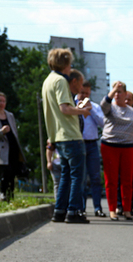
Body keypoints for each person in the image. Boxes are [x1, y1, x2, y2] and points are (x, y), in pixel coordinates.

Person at [41, 48, 92, 224]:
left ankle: (59, 211)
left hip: (57, 136)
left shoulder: (47, 81)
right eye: (70, 64)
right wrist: (82, 111)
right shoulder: (61, 81)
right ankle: (74, 211)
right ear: (64, 64)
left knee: (66, 175)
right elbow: (64, 108)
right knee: (78, 175)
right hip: (70, 134)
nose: (71, 68)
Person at [100, 81, 133, 221]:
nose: (117, 94)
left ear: (126, 94)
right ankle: (112, 209)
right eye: (115, 92)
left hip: (128, 148)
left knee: (127, 181)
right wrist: (113, 90)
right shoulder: (110, 108)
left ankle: (126, 209)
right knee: (111, 180)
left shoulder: (132, 111)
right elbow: (103, 105)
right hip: (110, 146)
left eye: (120, 92)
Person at [0, 92, 26, 202]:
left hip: (13, 146)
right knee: (6, 171)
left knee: (12, 172)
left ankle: (10, 195)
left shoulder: (10, 115)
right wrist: (1, 132)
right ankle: (2, 193)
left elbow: (15, 131)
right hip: (2, 148)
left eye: (3, 101)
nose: (2, 103)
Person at [76, 81, 106, 217]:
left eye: (87, 93)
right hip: (78, 143)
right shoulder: (71, 104)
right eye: (82, 93)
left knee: (95, 178)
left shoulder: (95, 106)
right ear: (78, 91)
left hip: (92, 144)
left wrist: (91, 109)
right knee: (81, 178)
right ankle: (81, 208)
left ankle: (97, 208)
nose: (84, 96)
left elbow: (103, 123)